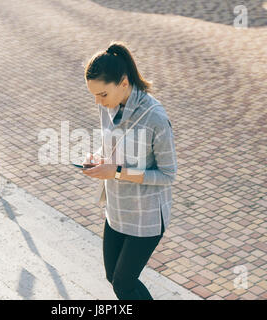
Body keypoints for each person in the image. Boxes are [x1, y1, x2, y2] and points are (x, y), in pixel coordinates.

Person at [82, 41, 178, 300]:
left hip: (145, 217)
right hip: (116, 208)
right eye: (94, 94)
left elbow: (168, 175)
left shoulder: (155, 117)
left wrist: (115, 172)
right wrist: (99, 159)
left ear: (124, 83)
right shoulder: (109, 106)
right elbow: (114, 153)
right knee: (113, 277)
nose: (98, 101)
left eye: (102, 94)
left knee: (124, 283)